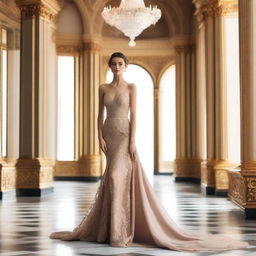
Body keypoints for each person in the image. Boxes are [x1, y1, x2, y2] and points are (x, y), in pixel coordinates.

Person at [50, 52, 248, 252]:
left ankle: (119, 232)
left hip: (125, 134)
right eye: (113, 64)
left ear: (125, 66)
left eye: (120, 64)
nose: (116, 67)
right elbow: (98, 115)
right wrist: (99, 137)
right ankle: (108, 230)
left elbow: (134, 115)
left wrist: (133, 142)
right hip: (109, 133)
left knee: (116, 176)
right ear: (110, 67)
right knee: (111, 178)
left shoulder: (131, 87)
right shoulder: (103, 88)